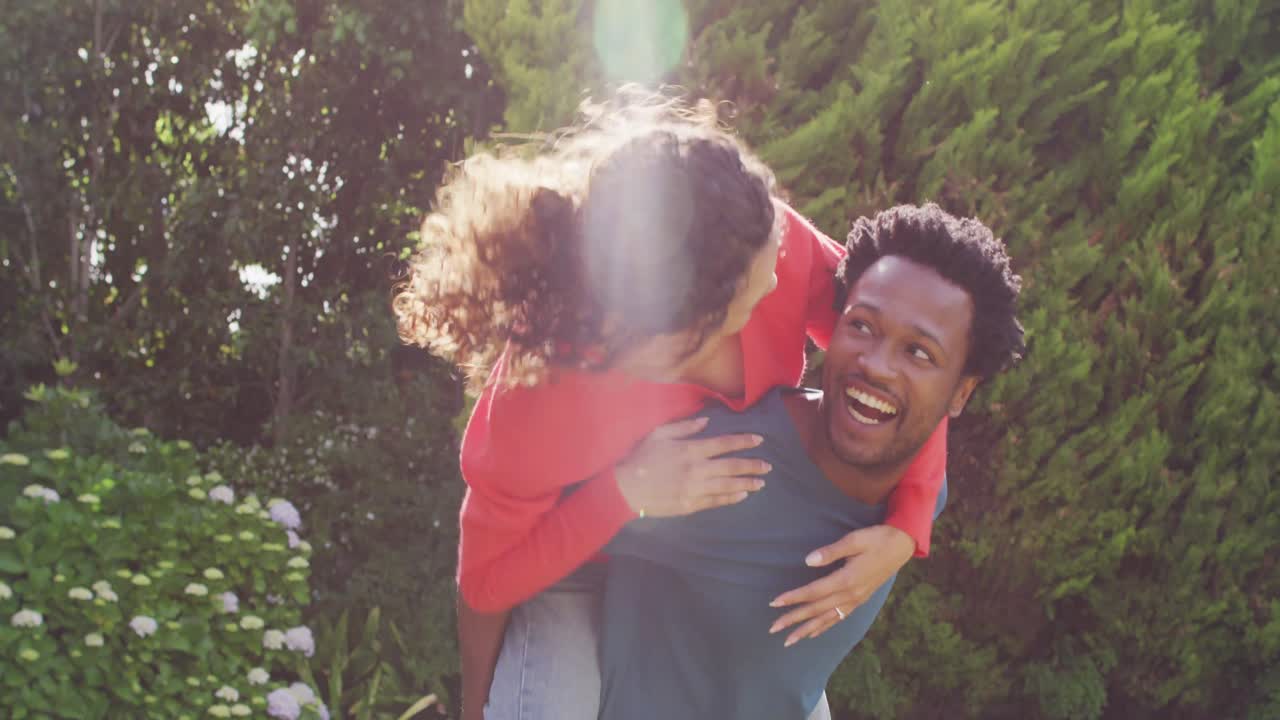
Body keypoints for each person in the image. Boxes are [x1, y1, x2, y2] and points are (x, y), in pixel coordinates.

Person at [392, 92, 949, 720]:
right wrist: (625, 493)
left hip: (692, 567)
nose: (781, 273)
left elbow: (915, 359)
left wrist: (907, 527)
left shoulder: (768, 239)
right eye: (760, 282)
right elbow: (486, 582)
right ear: (676, 335)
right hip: (576, 570)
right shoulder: (536, 403)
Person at [598, 203, 1026, 719]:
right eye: (863, 327)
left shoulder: (909, 489)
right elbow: (540, 518)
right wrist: (621, 489)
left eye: (918, 354)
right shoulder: (725, 465)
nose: (877, 366)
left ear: (960, 395)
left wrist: (908, 528)